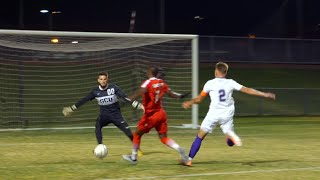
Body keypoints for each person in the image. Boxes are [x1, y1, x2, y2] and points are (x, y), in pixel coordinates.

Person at [181, 62, 276, 166]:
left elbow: (199, 99)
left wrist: (189, 103)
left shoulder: (210, 83)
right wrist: (264, 94)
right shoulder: (230, 82)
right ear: (225, 72)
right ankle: (231, 135)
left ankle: (189, 159)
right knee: (229, 140)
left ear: (216, 71)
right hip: (227, 113)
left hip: (213, 114)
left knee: (200, 137)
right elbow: (247, 90)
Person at [62, 72, 144, 156]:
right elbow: (84, 100)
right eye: (101, 79)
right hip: (104, 116)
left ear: (107, 79)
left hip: (116, 115)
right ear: (98, 80)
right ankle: (100, 146)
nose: (103, 81)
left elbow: (125, 97)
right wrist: (71, 108)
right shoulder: (95, 91)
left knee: (129, 133)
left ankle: (138, 149)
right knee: (98, 126)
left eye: (105, 79)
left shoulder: (114, 88)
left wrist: (138, 105)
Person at [122, 66, 190, 164]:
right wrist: (180, 96)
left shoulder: (148, 82)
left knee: (137, 134)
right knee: (163, 138)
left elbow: (140, 92)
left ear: (149, 72)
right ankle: (179, 148)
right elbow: (171, 93)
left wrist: (128, 100)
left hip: (150, 115)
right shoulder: (161, 83)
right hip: (161, 114)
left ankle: (133, 158)